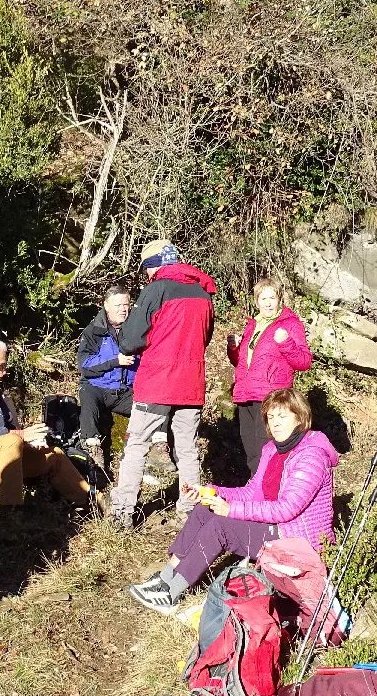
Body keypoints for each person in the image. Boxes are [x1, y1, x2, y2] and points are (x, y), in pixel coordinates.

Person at [127, 388, 338, 615]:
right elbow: (250, 493)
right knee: (204, 510)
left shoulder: (311, 455)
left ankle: (172, 594)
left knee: (222, 526)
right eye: (271, 416)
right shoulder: (271, 451)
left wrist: (231, 510)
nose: (275, 423)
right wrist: (211, 492)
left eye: (283, 416)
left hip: (293, 537)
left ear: (299, 417)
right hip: (271, 524)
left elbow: (286, 509)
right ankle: (167, 577)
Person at [110, 241, 216, 526]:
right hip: (191, 383)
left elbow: (130, 340)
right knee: (187, 448)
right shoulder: (203, 293)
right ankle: (191, 513)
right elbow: (205, 338)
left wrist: (148, 342)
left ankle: (123, 513)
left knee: (137, 445)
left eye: (146, 268)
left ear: (154, 265)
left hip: (157, 381)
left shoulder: (156, 289)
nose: (146, 275)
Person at [0, 337, 105, 514]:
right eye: (0, 366)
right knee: (11, 441)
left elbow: (8, 424)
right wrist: (21, 435)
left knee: (54, 455)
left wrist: (29, 441)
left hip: (0, 449)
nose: (3, 372)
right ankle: (11, 513)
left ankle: (94, 501)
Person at [232, 278, 313, 475]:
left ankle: (268, 499)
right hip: (245, 395)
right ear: (256, 302)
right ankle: (255, 497)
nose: (268, 303)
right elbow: (243, 364)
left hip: (271, 397)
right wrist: (232, 348)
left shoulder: (290, 324)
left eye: (272, 297)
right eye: (263, 298)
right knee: (251, 452)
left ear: (279, 300)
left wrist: (286, 343)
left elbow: (304, 362)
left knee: (265, 452)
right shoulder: (253, 326)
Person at [76, 285, 139, 468]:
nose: (123, 309)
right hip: (98, 387)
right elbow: (85, 364)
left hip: (126, 390)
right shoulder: (94, 331)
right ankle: (92, 449)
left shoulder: (137, 329)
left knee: (152, 406)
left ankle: (153, 448)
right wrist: (114, 360)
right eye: (118, 305)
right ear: (106, 305)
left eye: (126, 304)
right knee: (87, 396)